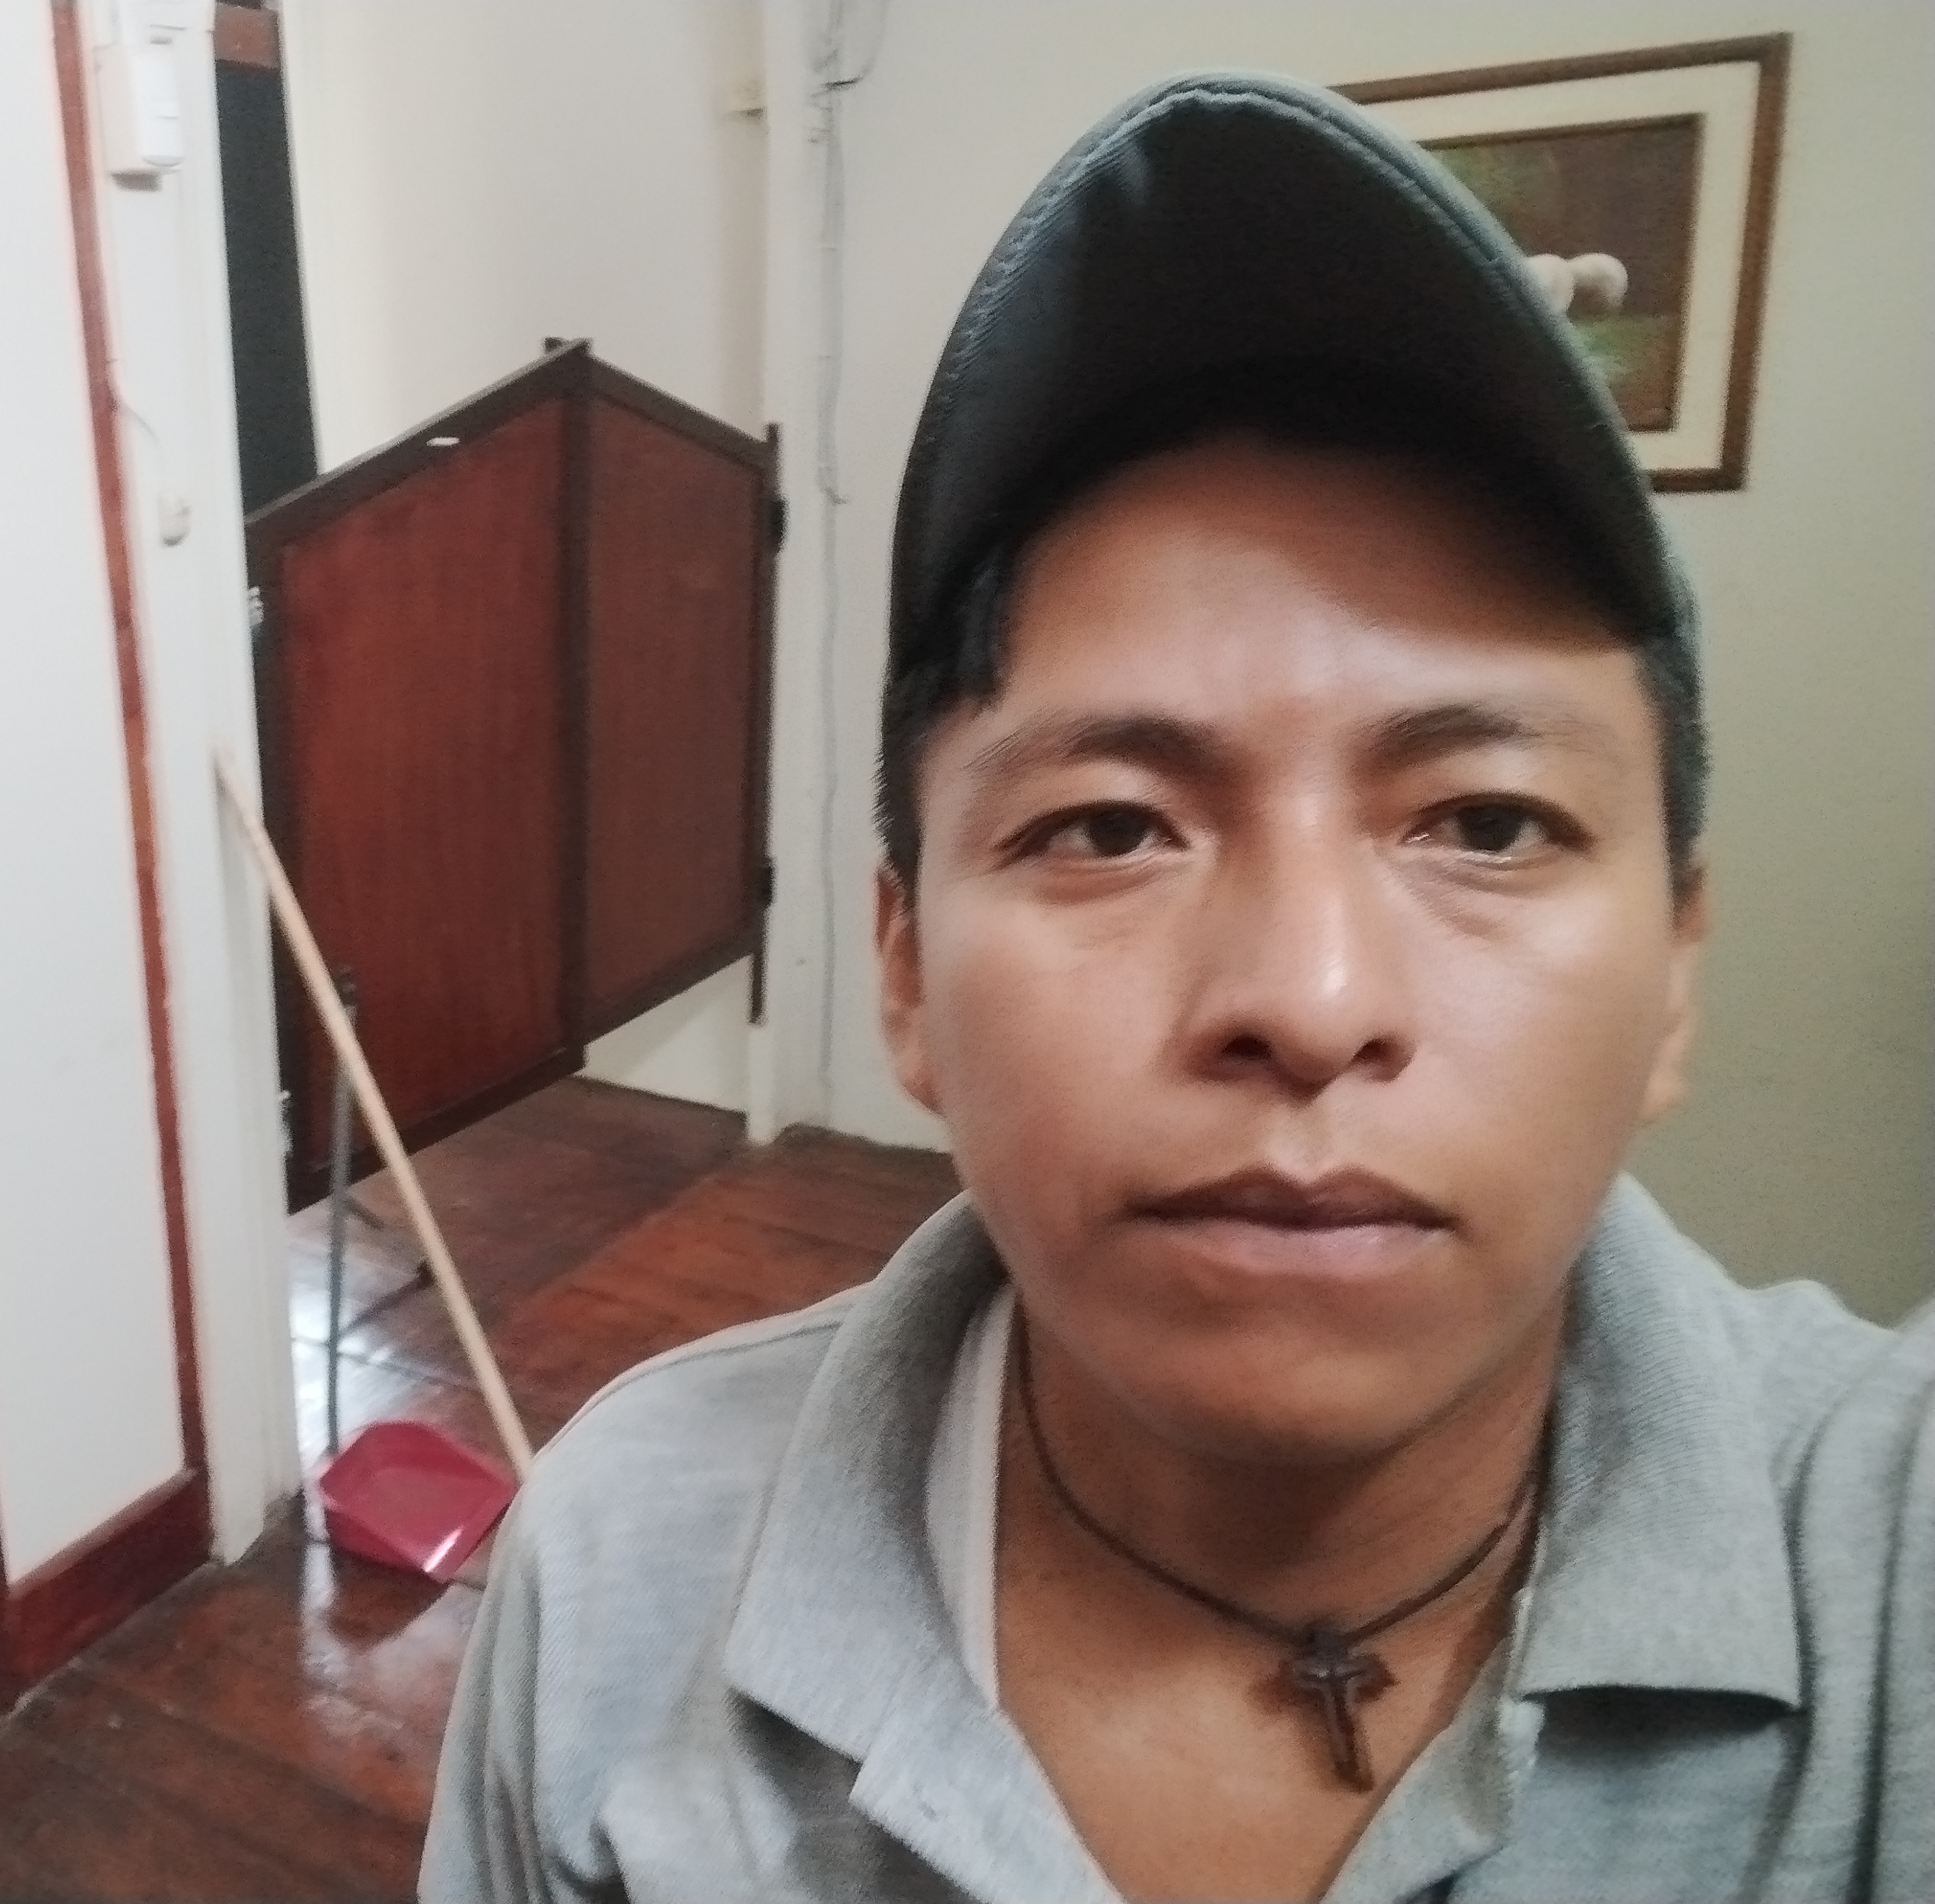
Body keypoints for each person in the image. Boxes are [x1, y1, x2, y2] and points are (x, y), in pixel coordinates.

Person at [419, 72, 1931, 1904]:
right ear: (906, 975)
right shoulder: (617, 1566)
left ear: (1676, 970)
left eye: (1486, 822)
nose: (1308, 998)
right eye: (1111, 828)